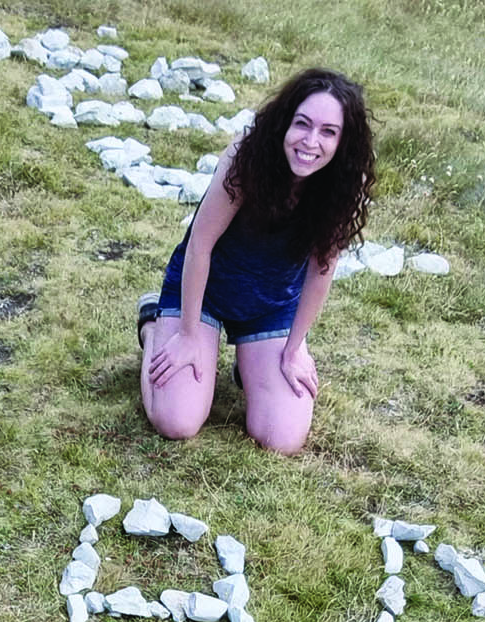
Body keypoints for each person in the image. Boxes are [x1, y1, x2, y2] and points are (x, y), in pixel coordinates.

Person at [138, 68, 375, 455]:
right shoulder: (245, 158)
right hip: (206, 292)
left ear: (343, 140)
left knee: (281, 438)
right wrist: (186, 335)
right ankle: (153, 327)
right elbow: (200, 245)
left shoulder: (347, 182)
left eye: (329, 131)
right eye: (303, 124)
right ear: (285, 122)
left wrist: (295, 347)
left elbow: (321, 271)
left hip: (272, 304)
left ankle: (248, 367)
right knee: (176, 421)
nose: (311, 142)